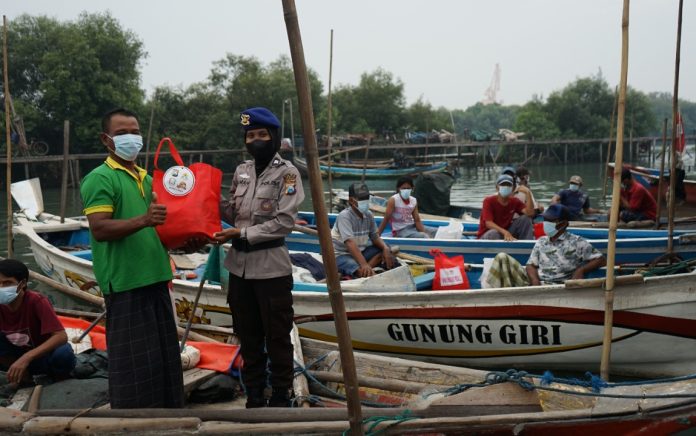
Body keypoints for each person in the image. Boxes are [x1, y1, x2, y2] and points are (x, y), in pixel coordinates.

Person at [80, 108, 184, 409]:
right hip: (125, 282)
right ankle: (131, 421)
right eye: (122, 133)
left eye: (135, 132)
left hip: (157, 276)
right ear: (106, 139)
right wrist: (144, 220)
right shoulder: (100, 178)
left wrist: (187, 239)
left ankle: (169, 415)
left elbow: (161, 227)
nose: (131, 138)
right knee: (132, 365)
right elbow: (100, 228)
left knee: (164, 358)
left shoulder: (147, 178)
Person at [213, 107, 304, 408]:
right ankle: (253, 395)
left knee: (277, 337)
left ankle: (281, 395)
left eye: (261, 135)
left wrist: (238, 234)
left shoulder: (288, 173)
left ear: (274, 137)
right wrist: (207, 200)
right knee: (247, 336)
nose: (255, 140)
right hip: (238, 269)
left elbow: (284, 222)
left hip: (271, 269)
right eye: (250, 136)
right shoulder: (241, 171)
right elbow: (232, 213)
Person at [0, 259, 75, 385]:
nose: (1, 288)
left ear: (22, 283)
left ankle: (60, 382)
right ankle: (23, 379)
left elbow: (61, 336)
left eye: (7, 283)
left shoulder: (36, 301)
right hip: (14, 360)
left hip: (42, 357)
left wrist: (27, 357)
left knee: (63, 353)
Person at [526, 204, 606, 285]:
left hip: (563, 286)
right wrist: (535, 281)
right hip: (541, 284)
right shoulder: (541, 241)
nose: (546, 223)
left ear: (563, 223)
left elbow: (601, 260)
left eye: (551, 220)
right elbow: (531, 265)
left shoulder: (577, 242)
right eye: (545, 219)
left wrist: (581, 270)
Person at [333, 182, 396, 278]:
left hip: (360, 252)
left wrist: (385, 249)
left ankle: (365, 271)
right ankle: (364, 270)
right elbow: (350, 242)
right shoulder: (344, 216)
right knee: (351, 264)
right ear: (351, 200)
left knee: (385, 247)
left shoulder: (369, 215)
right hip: (342, 254)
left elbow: (375, 236)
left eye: (367, 198)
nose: (365, 201)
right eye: (362, 199)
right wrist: (363, 264)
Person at [477, 174, 535, 240]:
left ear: (512, 188)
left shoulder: (514, 201)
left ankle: (526, 246)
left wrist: (528, 193)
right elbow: (489, 224)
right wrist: (505, 232)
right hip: (488, 235)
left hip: (506, 233)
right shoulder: (488, 201)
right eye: (502, 185)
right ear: (497, 187)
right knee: (494, 233)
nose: (505, 187)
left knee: (526, 218)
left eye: (508, 185)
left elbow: (530, 213)